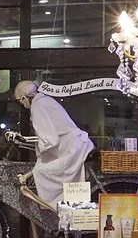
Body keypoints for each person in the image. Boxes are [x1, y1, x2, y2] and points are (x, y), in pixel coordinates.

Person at [14, 80, 94, 208]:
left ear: (24, 97)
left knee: (42, 172)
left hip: (71, 151)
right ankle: (63, 211)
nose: (22, 105)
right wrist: (28, 141)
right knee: (44, 170)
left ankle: (56, 210)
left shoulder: (37, 106)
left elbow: (50, 141)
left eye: (20, 101)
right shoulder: (44, 100)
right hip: (73, 146)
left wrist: (30, 142)